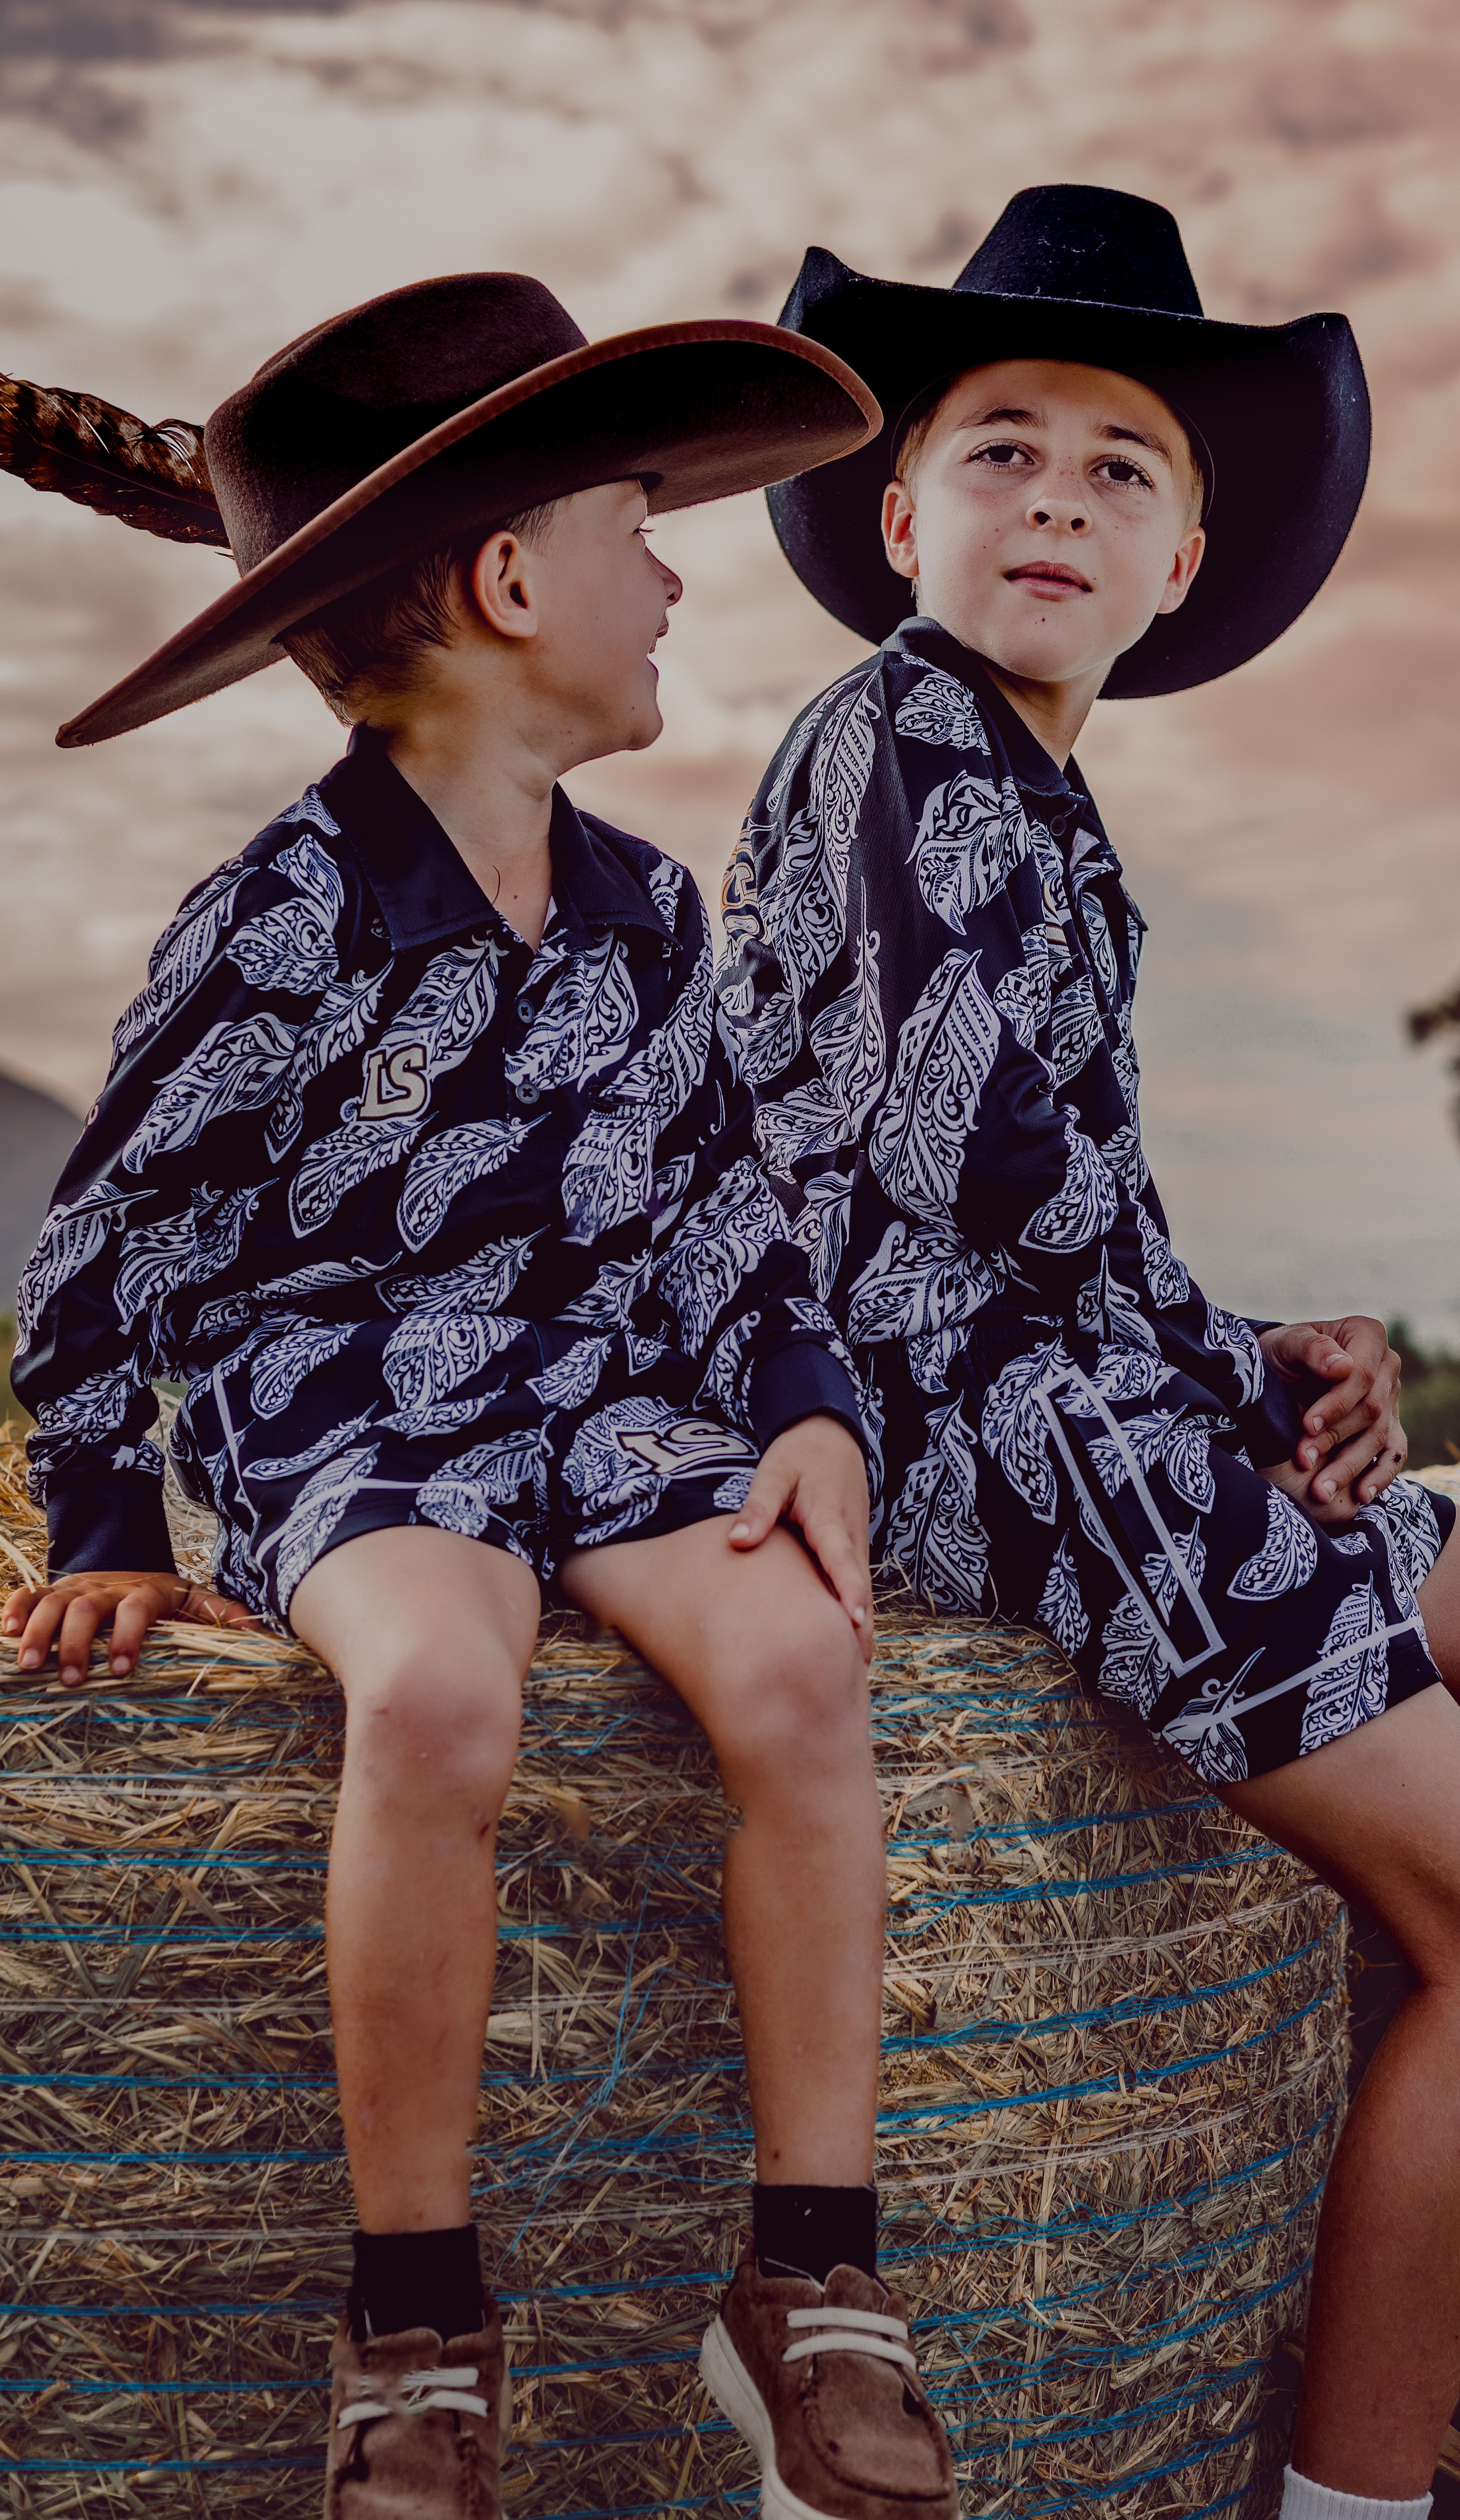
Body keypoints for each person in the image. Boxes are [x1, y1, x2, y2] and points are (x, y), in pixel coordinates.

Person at [717, 186, 1460, 2520]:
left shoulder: (1038, 790)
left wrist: (1256, 1346)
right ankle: (1357, 2501)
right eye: (999, 448)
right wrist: (1232, 1365)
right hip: (963, 1427)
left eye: (1118, 466)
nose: (1055, 497)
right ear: (896, 520)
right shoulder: (896, 741)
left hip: (1095, 1388)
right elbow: (967, 1158)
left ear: (1181, 563)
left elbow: (1067, 1202)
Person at [0, 279, 959, 2520]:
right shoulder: (281, 918)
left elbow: (719, 1212)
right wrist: (105, 1523)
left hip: (596, 1397)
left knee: (803, 1659)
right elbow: (110, 1244)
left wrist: (806, 1403)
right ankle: (419, 2319)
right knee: (440, 1692)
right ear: (513, 584)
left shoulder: (647, 912)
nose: (677, 579)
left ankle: (813, 2276)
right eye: (643, 530)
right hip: (346, 1401)